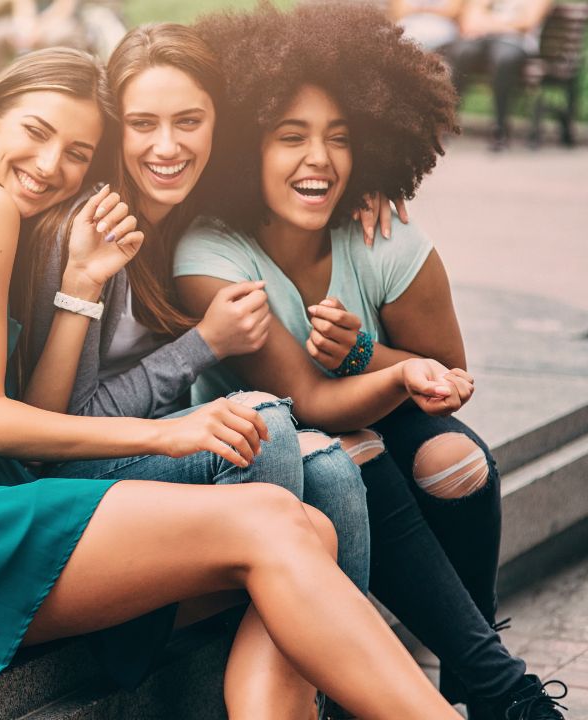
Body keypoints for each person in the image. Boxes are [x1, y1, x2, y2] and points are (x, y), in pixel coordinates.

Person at [0, 45, 466, 718]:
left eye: (76, 152)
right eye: (36, 133)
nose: (51, 166)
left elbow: (11, 422)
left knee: (305, 525)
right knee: (278, 520)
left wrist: (78, 288)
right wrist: (168, 435)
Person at [174, 4, 569, 718]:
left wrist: (365, 352)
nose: (318, 159)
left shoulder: (384, 238)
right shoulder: (212, 257)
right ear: (244, 148)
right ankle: (500, 686)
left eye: (341, 139)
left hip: (372, 410)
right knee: (347, 449)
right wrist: (383, 371)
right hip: (276, 443)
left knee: (458, 463)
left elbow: (448, 375)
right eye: (290, 136)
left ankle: (473, 676)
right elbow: (311, 401)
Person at [16, 23, 408, 593]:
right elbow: (67, 427)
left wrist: (363, 191)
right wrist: (205, 344)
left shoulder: (189, 213)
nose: (168, 147)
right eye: (143, 124)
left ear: (219, 126)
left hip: (155, 451)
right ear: (114, 132)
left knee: (332, 468)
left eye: (189, 122)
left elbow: (297, 177)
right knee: (262, 428)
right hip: (78, 471)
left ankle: (318, 676)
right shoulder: (88, 233)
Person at [440, 0, 554, 150]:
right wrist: (506, 25)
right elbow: (470, 21)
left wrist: (487, 23)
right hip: (483, 41)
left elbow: (527, 22)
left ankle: (500, 128)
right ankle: (448, 121)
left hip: (515, 43)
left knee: (503, 59)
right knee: (463, 52)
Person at [389, 0, 465, 52]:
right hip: (410, 28)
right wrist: (434, 10)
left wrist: (418, 9)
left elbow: (452, 11)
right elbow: (399, 11)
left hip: (442, 32)